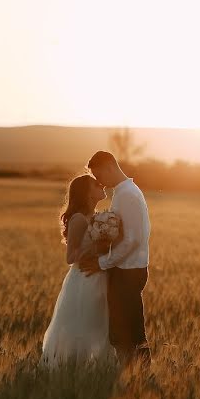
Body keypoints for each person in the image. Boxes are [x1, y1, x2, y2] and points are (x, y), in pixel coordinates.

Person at [79, 151, 152, 366]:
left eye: (99, 175)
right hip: (126, 268)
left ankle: (138, 375)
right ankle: (131, 374)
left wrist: (102, 263)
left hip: (128, 270)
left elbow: (132, 240)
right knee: (124, 329)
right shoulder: (124, 192)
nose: (99, 181)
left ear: (110, 166)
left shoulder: (127, 194)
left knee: (128, 331)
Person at [40, 174, 116, 366]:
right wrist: (96, 249)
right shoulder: (79, 220)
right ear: (87, 192)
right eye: (96, 184)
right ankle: (74, 366)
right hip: (84, 279)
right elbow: (70, 258)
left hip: (101, 276)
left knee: (101, 324)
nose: (102, 185)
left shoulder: (100, 218)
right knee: (82, 323)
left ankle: (98, 367)